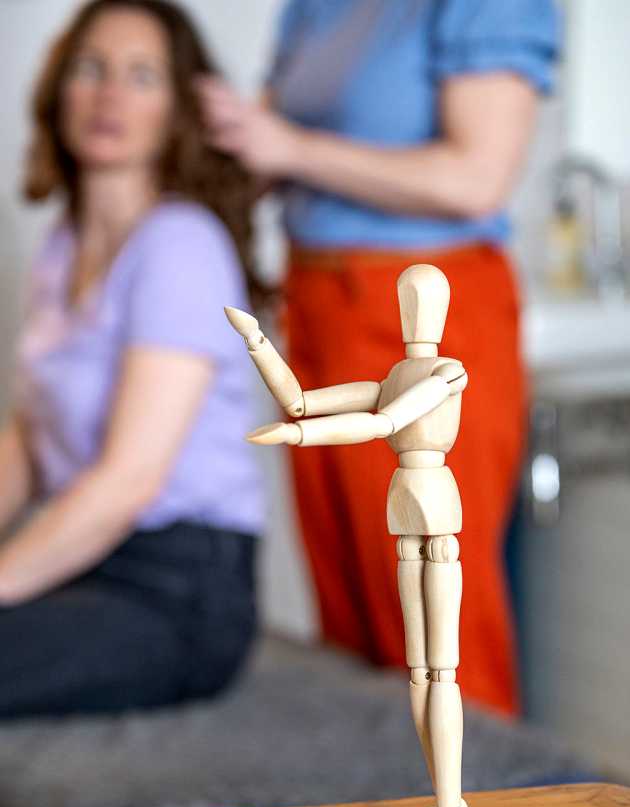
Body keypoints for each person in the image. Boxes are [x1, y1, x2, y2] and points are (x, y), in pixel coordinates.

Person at [198, 0, 560, 715]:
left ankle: (481, 803)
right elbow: (263, 147)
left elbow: (477, 178)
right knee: (349, 612)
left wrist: (291, 149)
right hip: (314, 306)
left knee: (432, 612)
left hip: (424, 312)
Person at [0, 0, 264, 716]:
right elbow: (29, 439)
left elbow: (128, 482)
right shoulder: (61, 247)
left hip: (180, 588)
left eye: (141, 76)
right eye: (92, 69)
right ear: (59, 91)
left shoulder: (180, 244)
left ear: (178, 108)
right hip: (93, 560)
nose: (110, 94)